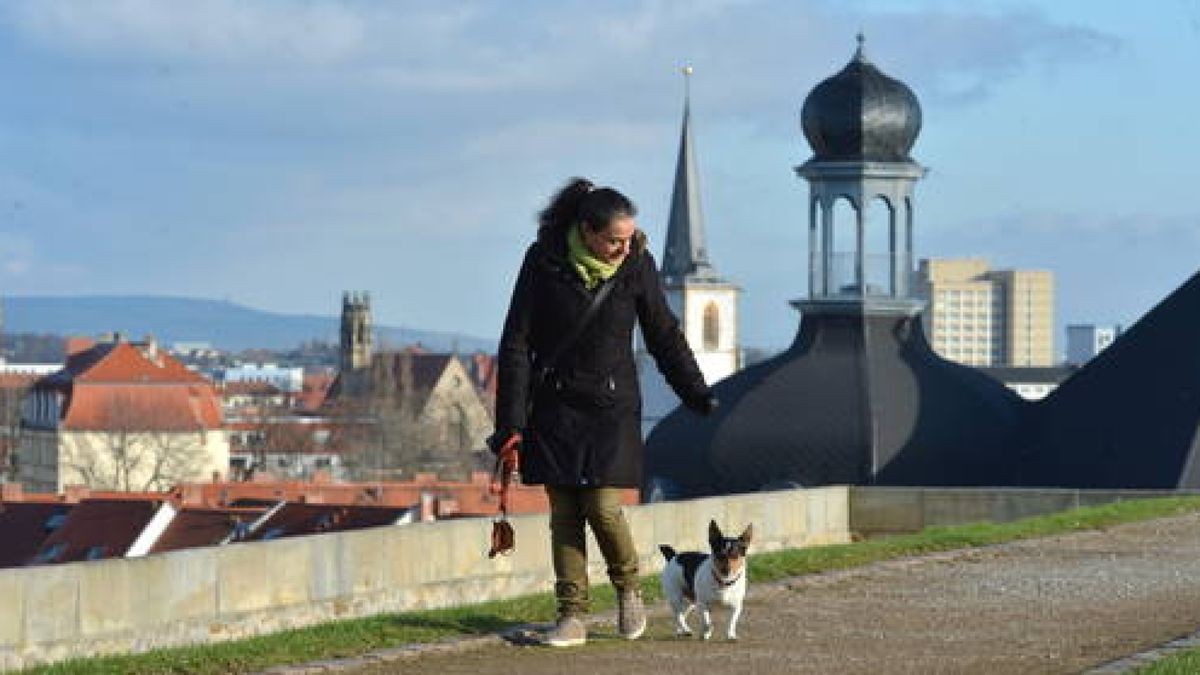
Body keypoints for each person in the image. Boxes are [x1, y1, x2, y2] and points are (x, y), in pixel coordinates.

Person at [493, 177, 717, 647]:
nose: (623, 246)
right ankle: (571, 617)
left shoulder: (637, 264)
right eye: (614, 239)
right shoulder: (543, 261)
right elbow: (516, 341)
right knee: (565, 513)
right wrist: (509, 424)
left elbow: (663, 334)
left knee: (601, 504)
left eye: (628, 237)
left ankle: (628, 587)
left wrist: (694, 391)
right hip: (554, 405)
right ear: (586, 231)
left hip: (611, 407)